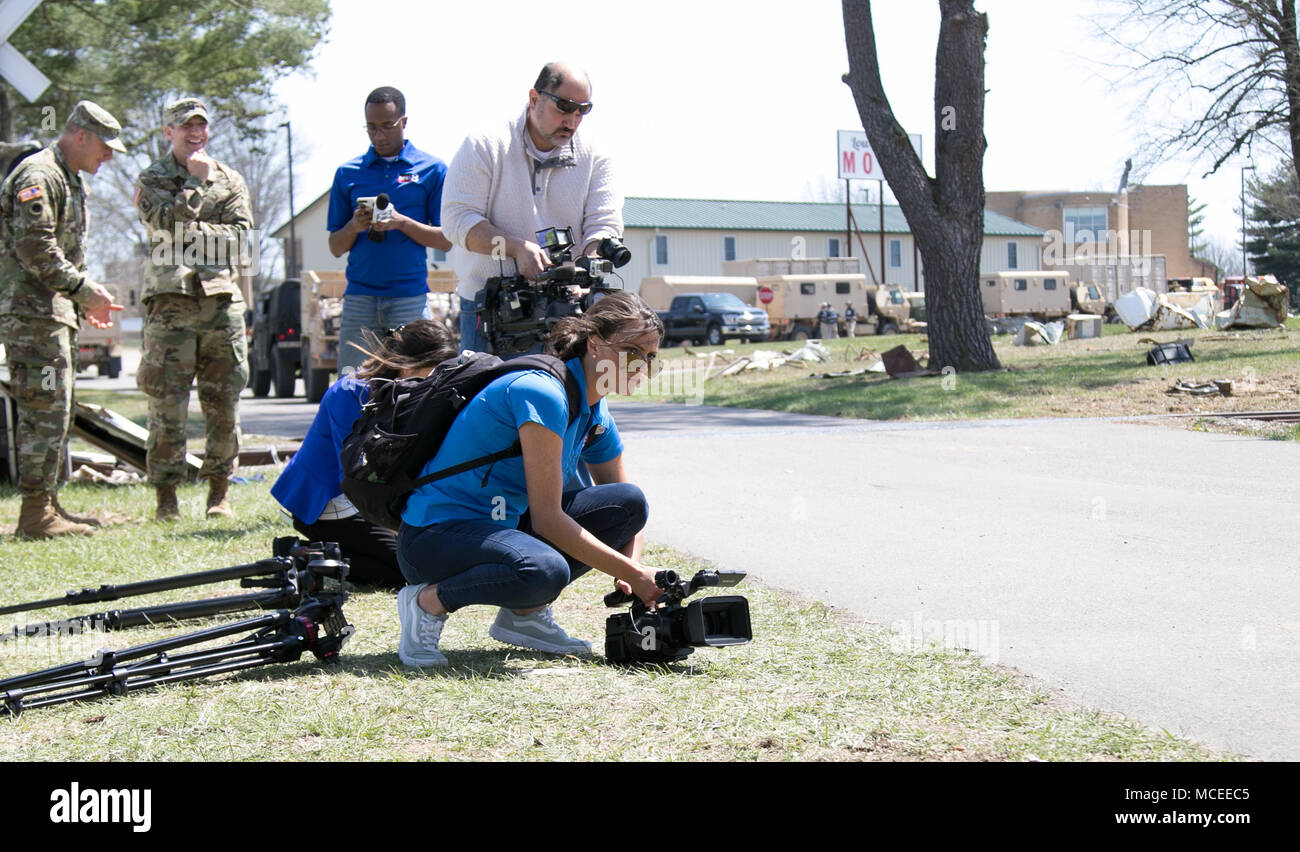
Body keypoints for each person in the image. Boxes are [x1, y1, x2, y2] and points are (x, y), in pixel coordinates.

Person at [395, 291, 664, 667]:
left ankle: (524, 616)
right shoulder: (542, 393)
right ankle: (425, 604)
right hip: (435, 537)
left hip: (502, 527)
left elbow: (622, 503)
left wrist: (632, 571)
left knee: (629, 503)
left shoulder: (594, 408)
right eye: (633, 352)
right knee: (543, 570)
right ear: (594, 344)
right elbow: (548, 519)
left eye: (651, 358)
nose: (642, 366)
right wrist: (634, 574)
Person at [0, 101, 125, 538]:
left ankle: (47, 504)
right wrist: (85, 291)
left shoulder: (67, 178)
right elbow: (35, 248)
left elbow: (63, 253)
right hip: (32, 318)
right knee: (43, 408)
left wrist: (83, 300)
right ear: (80, 136)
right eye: (105, 147)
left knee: (58, 407)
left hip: (52, 316)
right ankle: (35, 515)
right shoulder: (39, 176)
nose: (108, 156)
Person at [442, 61, 622, 353]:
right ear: (534, 98)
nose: (572, 121)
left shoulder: (596, 156)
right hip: (494, 314)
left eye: (582, 110)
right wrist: (514, 248)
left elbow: (604, 224)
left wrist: (590, 262)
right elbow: (456, 220)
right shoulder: (485, 145)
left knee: (577, 399)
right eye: (564, 107)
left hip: (569, 311)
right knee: (491, 398)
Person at [135, 97, 253, 520]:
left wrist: (190, 230)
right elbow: (163, 228)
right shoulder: (152, 178)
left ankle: (218, 495)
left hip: (221, 305)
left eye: (201, 126)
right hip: (170, 307)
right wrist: (195, 187)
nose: (195, 133)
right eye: (186, 126)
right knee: (166, 405)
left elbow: (241, 242)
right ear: (169, 132)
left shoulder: (231, 179)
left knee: (224, 403)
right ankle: (166, 498)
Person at [271, 320, 457, 588]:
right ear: (406, 363)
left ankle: (318, 555)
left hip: (364, 500)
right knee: (412, 571)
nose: (437, 377)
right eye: (434, 369)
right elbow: (353, 475)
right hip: (331, 501)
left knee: (418, 562)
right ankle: (299, 557)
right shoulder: (353, 392)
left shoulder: (408, 389)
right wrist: (401, 527)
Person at [327, 87, 452, 374]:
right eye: (371, 127)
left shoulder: (433, 169)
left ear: (404, 122)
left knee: (417, 386)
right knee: (353, 387)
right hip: (360, 298)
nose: (379, 135)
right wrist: (354, 226)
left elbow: (446, 240)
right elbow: (335, 246)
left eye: (387, 126)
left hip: (409, 298)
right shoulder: (347, 173)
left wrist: (401, 222)